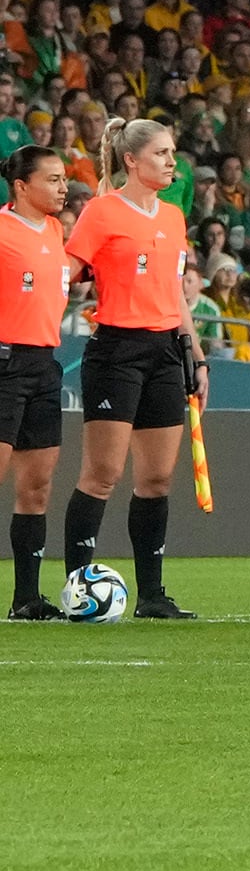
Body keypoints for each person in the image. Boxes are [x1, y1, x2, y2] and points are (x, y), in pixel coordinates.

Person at [59, 121, 206, 623]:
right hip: (116, 349)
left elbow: (174, 293)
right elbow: (68, 273)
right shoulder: (101, 211)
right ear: (131, 161)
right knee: (103, 474)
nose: (172, 161)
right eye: (162, 153)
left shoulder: (172, 215)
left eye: (173, 152)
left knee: (158, 477)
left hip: (165, 350)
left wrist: (196, 354)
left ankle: (152, 595)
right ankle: (78, 587)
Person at [1, 143, 73, 622]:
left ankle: (26, 598)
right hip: (3, 364)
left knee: (37, 487)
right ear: (22, 186)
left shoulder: (54, 229)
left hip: (44, 365)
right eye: (53, 179)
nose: (64, 187)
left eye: (65, 178)